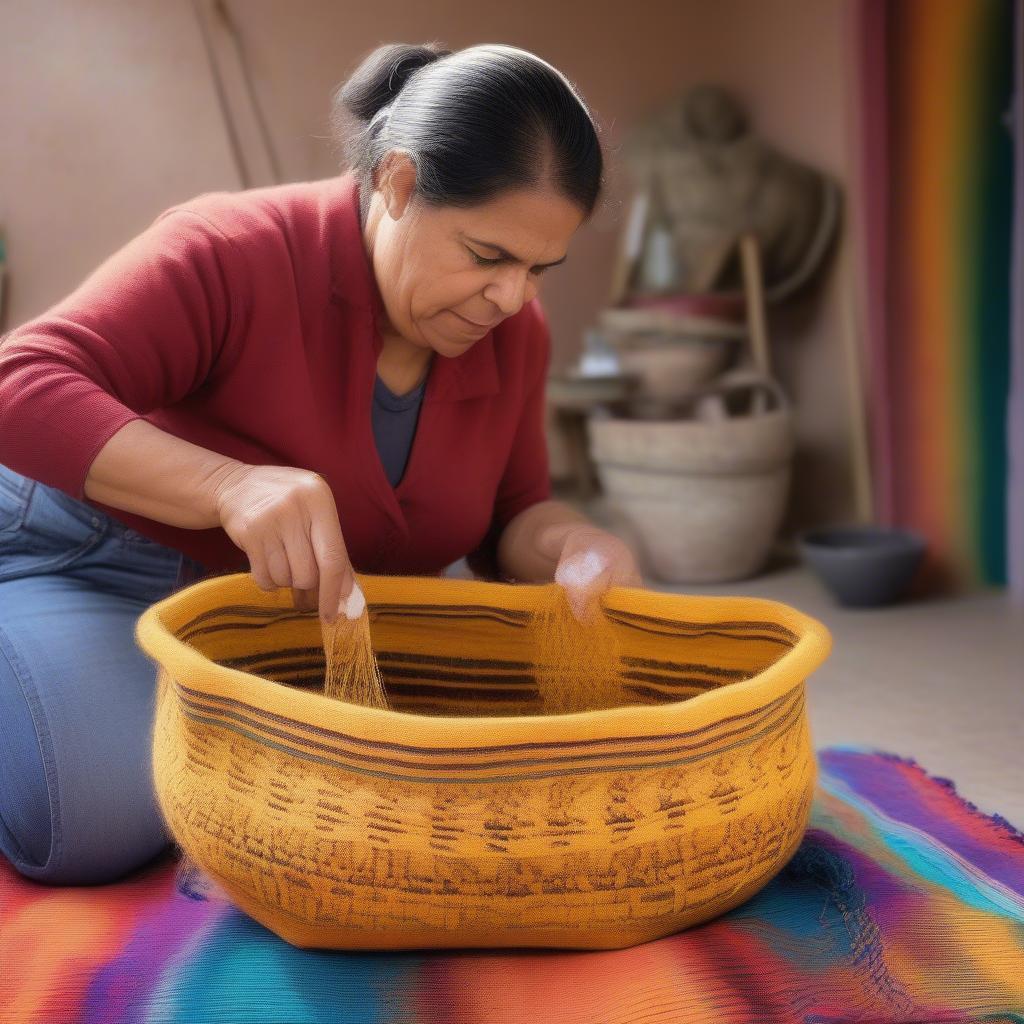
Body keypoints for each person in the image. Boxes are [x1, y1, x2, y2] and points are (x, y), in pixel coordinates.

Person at [0, 42, 642, 886]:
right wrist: (225, 485)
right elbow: (21, 382)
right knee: (98, 820)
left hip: (288, 618)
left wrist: (573, 548)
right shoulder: (234, 249)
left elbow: (513, 516)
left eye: (538, 268)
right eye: (488, 256)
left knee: (496, 768)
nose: (512, 298)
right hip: (88, 561)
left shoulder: (514, 330)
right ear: (399, 184)